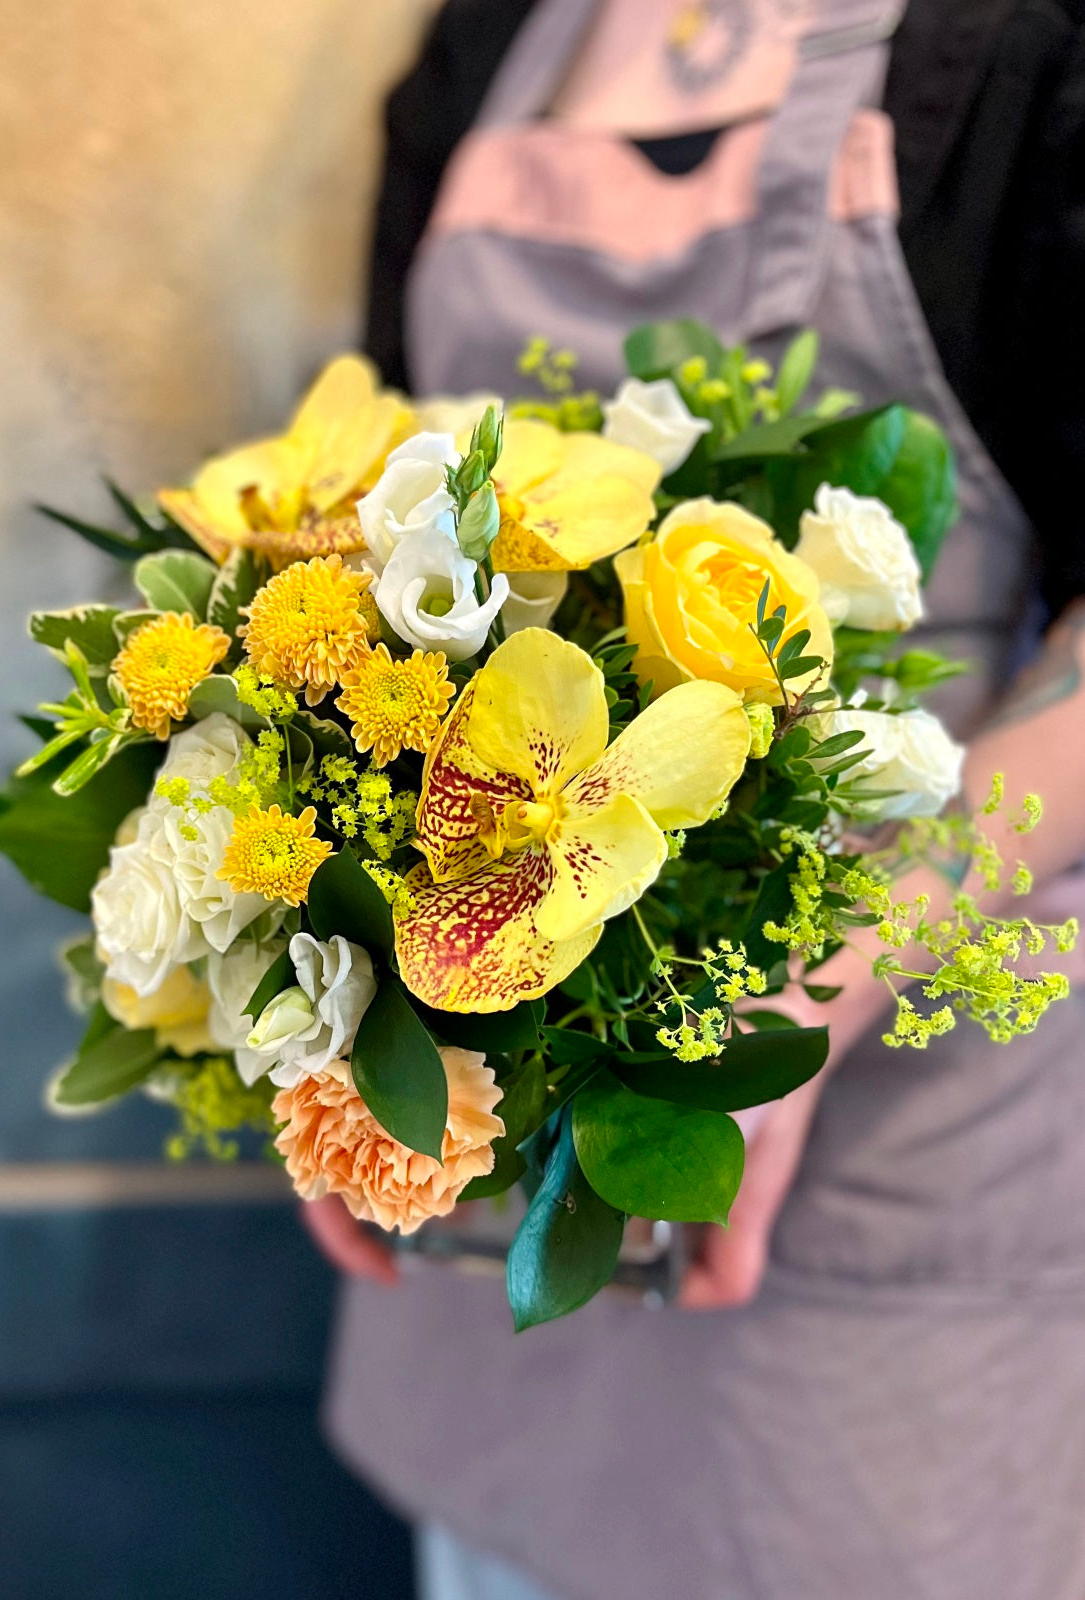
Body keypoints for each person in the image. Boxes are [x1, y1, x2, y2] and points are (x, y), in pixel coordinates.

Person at [305, 2, 1085, 1596]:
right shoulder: (496, 34)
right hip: (500, 1120)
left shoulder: (1026, 42)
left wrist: (821, 972)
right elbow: (368, 538)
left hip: (889, 1145)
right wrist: (308, 981)